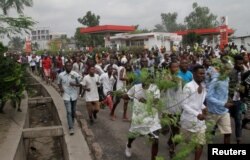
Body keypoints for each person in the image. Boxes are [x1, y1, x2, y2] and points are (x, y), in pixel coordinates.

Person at [124, 79, 161, 160]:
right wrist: (122, 94)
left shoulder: (155, 88)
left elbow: (156, 100)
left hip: (152, 117)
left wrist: (147, 101)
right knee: (133, 135)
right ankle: (128, 145)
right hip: (138, 117)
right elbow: (127, 95)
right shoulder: (136, 87)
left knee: (155, 140)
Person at [180, 65, 207, 160]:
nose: (202, 75)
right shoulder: (188, 87)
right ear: (194, 74)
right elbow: (184, 104)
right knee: (185, 147)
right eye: (200, 73)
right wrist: (197, 114)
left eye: (203, 73)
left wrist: (204, 107)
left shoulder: (203, 86)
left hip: (200, 122)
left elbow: (199, 102)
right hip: (188, 121)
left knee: (200, 143)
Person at [206, 62, 233, 144]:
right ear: (222, 69)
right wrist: (223, 103)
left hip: (224, 111)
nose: (229, 71)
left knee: (228, 133)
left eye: (230, 70)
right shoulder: (215, 80)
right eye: (227, 69)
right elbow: (209, 97)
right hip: (213, 111)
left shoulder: (227, 78)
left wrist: (227, 100)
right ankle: (197, 147)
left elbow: (224, 92)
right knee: (206, 134)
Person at [162, 61, 183, 158]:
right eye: (174, 67)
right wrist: (169, 82)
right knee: (170, 128)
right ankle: (171, 144)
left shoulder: (180, 78)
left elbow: (180, 93)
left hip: (177, 108)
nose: (176, 69)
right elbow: (163, 90)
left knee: (176, 130)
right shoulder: (165, 78)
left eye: (177, 67)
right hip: (168, 108)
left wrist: (182, 106)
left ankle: (171, 146)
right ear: (169, 68)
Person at [58, 61, 82, 135]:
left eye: (70, 66)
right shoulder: (61, 75)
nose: (68, 67)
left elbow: (79, 84)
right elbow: (59, 83)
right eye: (67, 66)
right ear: (64, 66)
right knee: (68, 111)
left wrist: (74, 84)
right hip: (66, 96)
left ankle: (71, 120)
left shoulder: (75, 74)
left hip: (74, 95)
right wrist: (61, 88)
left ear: (71, 67)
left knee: (73, 111)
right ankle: (71, 127)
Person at [229, 55, 244, 144]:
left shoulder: (243, 72)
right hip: (229, 99)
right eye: (239, 63)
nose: (240, 65)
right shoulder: (230, 72)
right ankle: (213, 130)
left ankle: (238, 138)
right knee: (224, 119)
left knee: (238, 120)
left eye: (241, 63)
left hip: (238, 100)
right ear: (235, 63)